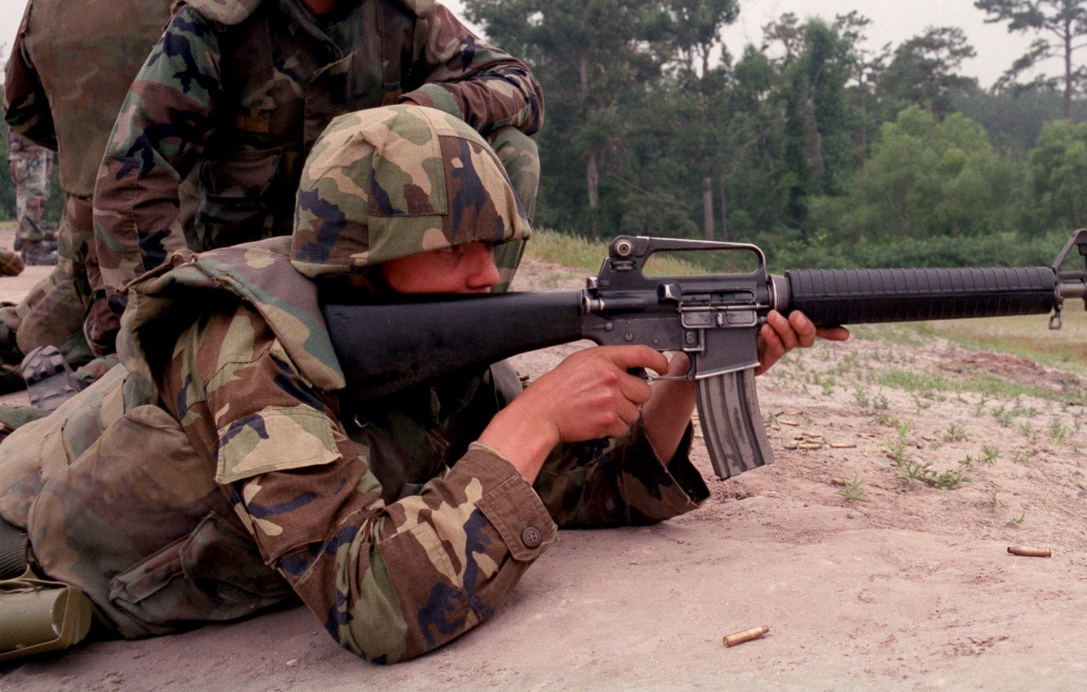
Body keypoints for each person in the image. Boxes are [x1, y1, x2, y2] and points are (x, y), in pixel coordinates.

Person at [0, 104, 845, 662]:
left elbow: (581, 497)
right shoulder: (250, 353)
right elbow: (376, 609)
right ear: (363, 261)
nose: (488, 276)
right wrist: (538, 418)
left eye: (494, 246)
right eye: (454, 250)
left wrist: (690, 373)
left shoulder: (421, 341)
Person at [91, 0, 543, 365]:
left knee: (510, 150)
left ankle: (460, 341)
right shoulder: (220, 18)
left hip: (371, 273)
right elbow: (132, 182)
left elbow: (519, 85)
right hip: (249, 279)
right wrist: (170, 318)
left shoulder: (404, 11)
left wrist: (435, 105)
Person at [1, 0, 221, 397]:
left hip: (81, 226)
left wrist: (90, 153)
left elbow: (20, 106)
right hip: (170, 226)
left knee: (41, 336)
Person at [7, 128, 55, 266]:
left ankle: (30, 244)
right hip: (27, 142)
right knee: (32, 193)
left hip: (40, 141)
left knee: (39, 193)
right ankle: (32, 247)